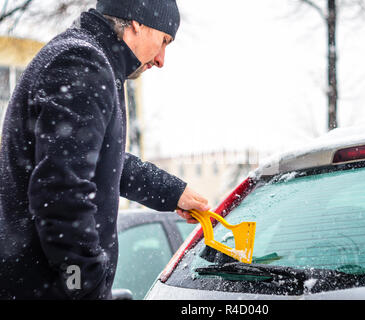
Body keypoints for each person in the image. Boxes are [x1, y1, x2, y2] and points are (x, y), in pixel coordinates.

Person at [0, 0, 209, 299]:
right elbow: (60, 193)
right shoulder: (84, 62)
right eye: (164, 40)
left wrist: (173, 192)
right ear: (138, 22)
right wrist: (88, 287)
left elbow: (99, 162)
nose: (162, 59)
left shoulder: (85, 57)